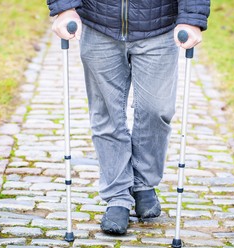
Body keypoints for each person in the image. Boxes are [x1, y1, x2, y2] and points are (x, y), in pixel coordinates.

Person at [47, 0, 210, 235]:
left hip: (159, 26)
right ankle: (117, 197)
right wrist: (65, 9)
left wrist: (192, 18)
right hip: (99, 24)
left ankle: (143, 184)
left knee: (157, 110)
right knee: (107, 116)